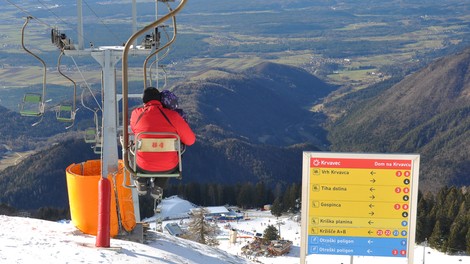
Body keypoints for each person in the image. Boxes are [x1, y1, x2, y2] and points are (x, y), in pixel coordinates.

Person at [130, 87, 196, 198]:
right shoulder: (173, 116)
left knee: (133, 148)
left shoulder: (137, 114)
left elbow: (134, 129)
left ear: (144, 101)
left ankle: (141, 181)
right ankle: (159, 185)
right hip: (169, 167)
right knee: (174, 151)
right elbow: (190, 140)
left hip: (142, 165)